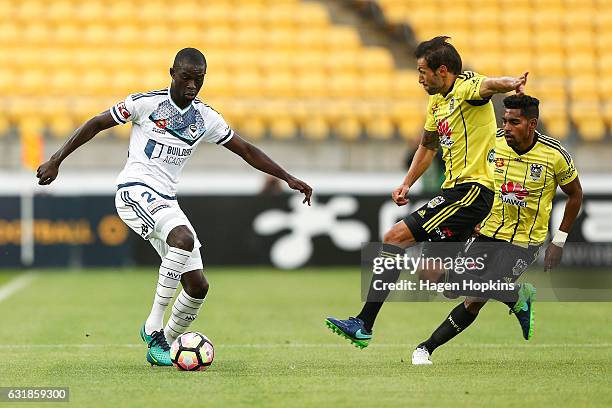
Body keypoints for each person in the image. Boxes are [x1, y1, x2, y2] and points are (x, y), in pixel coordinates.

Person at [36, 48, 312, 366]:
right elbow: (97, 123)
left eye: (199, 79)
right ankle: (153, 327)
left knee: (197, 286)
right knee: (183, 238)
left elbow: (246, 150)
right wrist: (56, 160)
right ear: (172, 73)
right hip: (134, 191)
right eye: (186, 77)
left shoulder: (205, 118)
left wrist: (288, 177)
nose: (192, 85)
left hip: (166, 201)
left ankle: (163, 346)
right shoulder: (145, 104)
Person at [326, 36, 528, 349]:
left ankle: (363, 323)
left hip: (472, 191)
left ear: (442, 70)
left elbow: (489, 85)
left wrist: (511, 82)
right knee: (432, 276)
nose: (419, 78)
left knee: (394, 237)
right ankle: (511, 293)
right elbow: (427, 146)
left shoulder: (466, 88)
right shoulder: (436, 102)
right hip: (458, 192)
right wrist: (407, 182)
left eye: (423, 71)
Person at [411, 94, 582, 364]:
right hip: (486, 231)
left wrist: (559, 241)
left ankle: (425, 348)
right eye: (504, 120)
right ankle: (516, 296)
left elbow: (575, 195)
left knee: (475, 297)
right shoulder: (493, 144)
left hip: (524, 241)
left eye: (514, 122)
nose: (507, 127)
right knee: (446, 285)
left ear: (532, 124)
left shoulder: (555, 155)